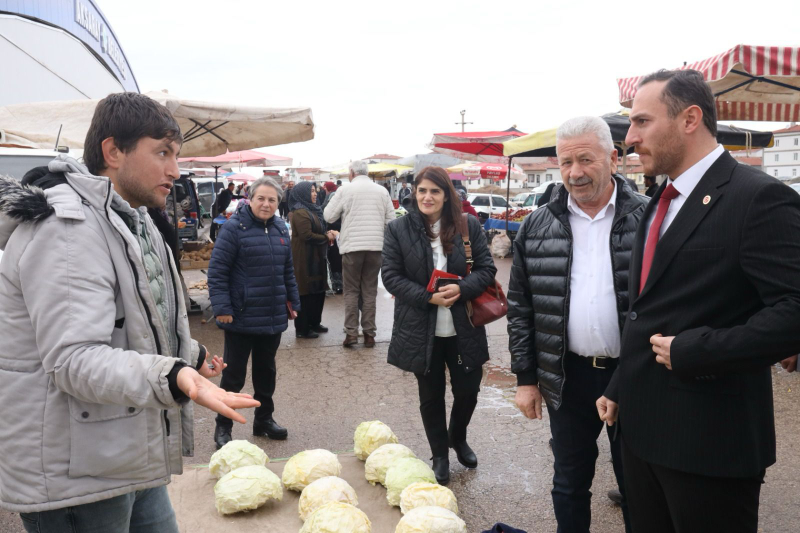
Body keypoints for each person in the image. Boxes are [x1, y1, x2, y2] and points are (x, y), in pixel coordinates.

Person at [0, 92, 259, 532]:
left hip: (124, 443)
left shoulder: (132, 221)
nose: (175, 171)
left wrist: (187, 353)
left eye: (175, 155)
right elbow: (74, 359)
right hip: (75, 474)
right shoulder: (67, 231)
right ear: (113, 151)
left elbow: (135, 320)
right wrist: (174, 374)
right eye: (162, 153)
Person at [596, 69, 800, 533]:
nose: (630, 138)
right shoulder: (658, 202)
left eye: (643, 122)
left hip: (711, 447)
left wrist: (697, 350)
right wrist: (621, 384)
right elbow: (647, 310)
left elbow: (794, 310)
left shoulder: (759, 198)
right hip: (642, 437)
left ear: (690, 119)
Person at [508, 116, 645, 533]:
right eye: (566, 162)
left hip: (635, 377)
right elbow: (521, 308)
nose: (575, 172)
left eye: (586, 159)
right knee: (569, 483)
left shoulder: (650, 219)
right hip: (567, 376)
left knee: (641, 486)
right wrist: (526, 378)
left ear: (613, 158)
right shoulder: (536, 226)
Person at [382, 166, 497, 486]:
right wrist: (427, 297)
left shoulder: (467, 225)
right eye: (422, 191)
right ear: (414, 193)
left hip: (464, 325)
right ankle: (440, 455)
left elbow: (486, 269)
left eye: (435, 191)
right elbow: (390, 276)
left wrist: (463, 288)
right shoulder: (398, 229)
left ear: (446, 195)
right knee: (430, 395)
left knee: (468, 391)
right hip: (421, 327)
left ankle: (457, 437)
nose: (427, 197)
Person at [208, 176, 301, 448]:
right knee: (233, 375)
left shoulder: (281, 228)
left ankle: (264, 420)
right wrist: (222, 307)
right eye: (261, 198)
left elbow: (287, 272)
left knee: (266, 373)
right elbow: (217, 272)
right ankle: (223, 427)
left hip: (272, 315)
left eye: (272, 200)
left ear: (278, 203)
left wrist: (294, 303)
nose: (266, 204)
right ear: (249, 199)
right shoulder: (233, 228)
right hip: (240, 315)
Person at [324, 160, 394, 348]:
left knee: (351, 291)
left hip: (352, 248)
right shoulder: (382, 191)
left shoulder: (345, 190)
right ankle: (369, 334)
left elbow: (328, 216)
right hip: (375, 248)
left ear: (352, 173)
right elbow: (391, 221)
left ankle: (351, 334)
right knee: (370, 291)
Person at [289, 181, 335, 338]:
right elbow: (306, 235)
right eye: (312, 191)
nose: (315, 194)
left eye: (315, 191)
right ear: (302, 194)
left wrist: (326, 233)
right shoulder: (300, 212)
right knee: (305, 293)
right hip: (304, 258)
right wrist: (326, 236)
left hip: (315, 257)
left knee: (317, 291)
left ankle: (314, 322)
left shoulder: (312, 210)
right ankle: (302, 328)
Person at [322, 182, 344, 294]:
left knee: (338, 262)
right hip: (332, 241)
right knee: (335, 262)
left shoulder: (342, 211)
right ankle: (337, 285)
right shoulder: (327, 210)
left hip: (339, 239)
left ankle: (339, 285)